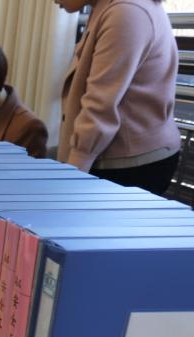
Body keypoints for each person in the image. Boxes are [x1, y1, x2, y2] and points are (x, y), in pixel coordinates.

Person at [54, 0, 181, 195]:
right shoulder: (111, 7)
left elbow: (99, 106)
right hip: (124, 155)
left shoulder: (125, 12)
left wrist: (73, 174)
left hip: (130, 164)